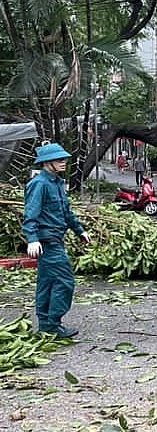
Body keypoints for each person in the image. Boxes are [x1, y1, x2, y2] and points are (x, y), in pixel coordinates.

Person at [22, 143, 92, 338]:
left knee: (47, 282)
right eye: (59, 159)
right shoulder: (39, 184)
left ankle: (45, 324)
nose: (64, 162)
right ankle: (53, 324)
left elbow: (66, 212)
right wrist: (32, 239)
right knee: (65, 281)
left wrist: (80, 230)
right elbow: (30, 214)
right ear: (47, 162)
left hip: (55, 240)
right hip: (47, 242)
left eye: (64, 159)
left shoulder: (57, 183)